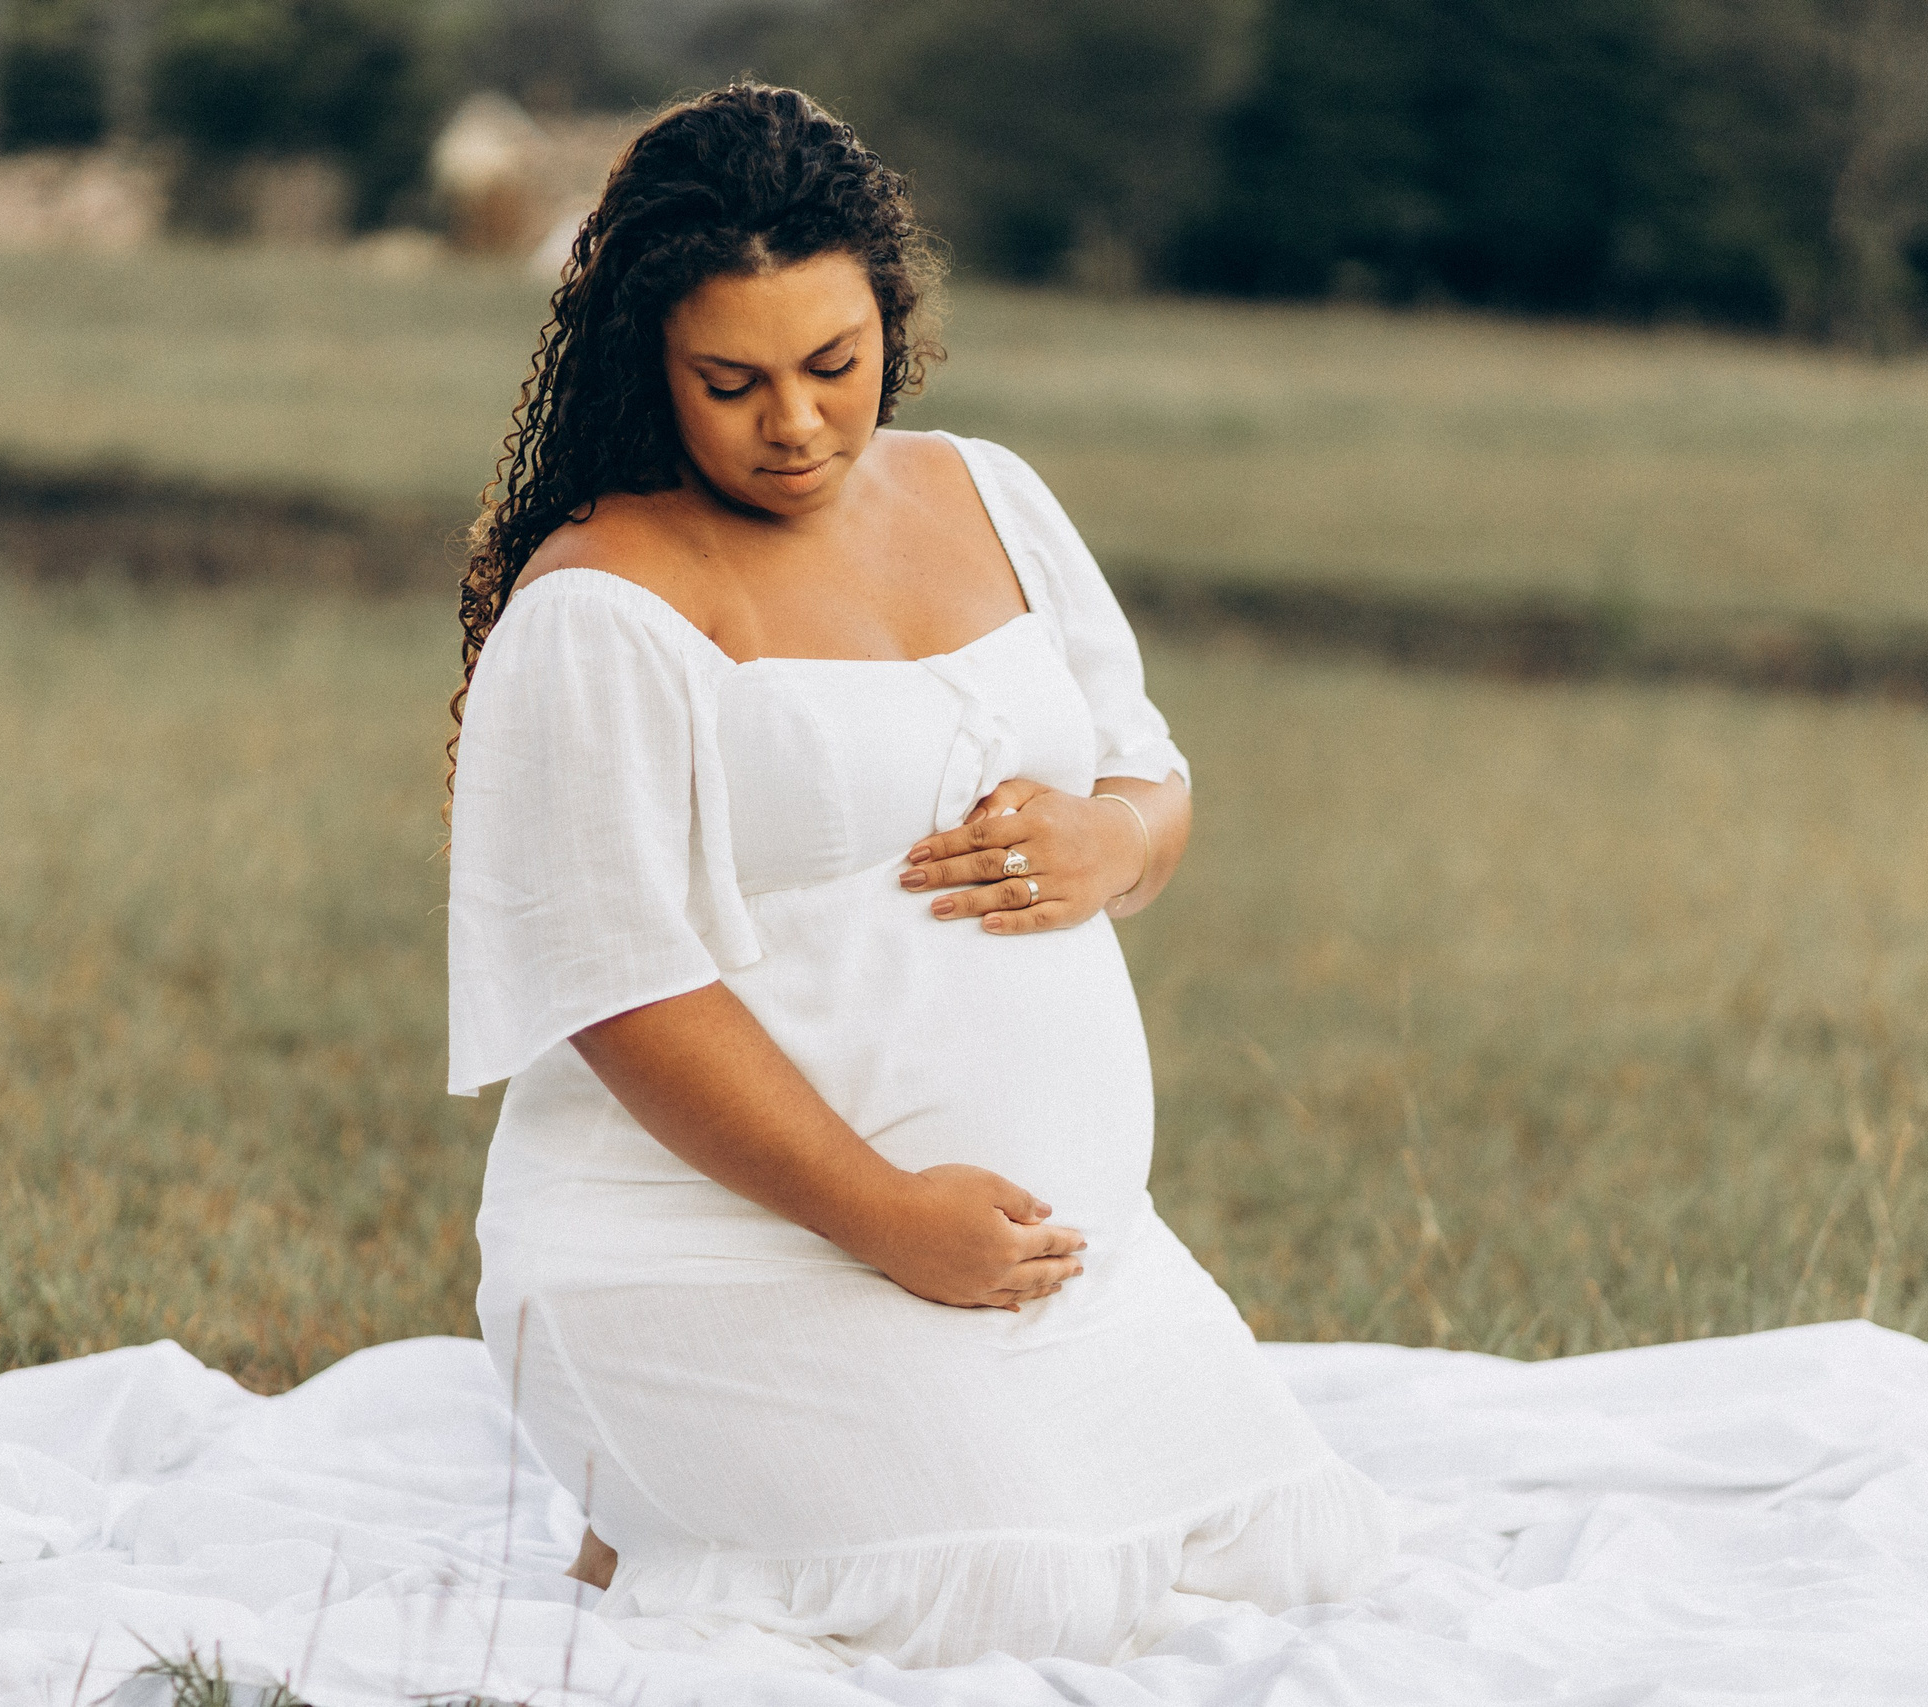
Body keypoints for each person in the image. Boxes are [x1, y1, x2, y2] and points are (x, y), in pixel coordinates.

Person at [445, 82, 1395, 1672]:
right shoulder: (599, 605)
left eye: (835, 364)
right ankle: (667, 1505)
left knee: (1306, 1564)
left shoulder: (986, 492)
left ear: (894, 315)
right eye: (731, 382)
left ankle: (702, 1516)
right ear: (648, 367)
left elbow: (1146, 776)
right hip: (717, 1249)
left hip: (1065, 1260)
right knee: (1018, 1596)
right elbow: (618, 988)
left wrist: (1119, 842)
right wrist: (886, 1217)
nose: (798, 423)